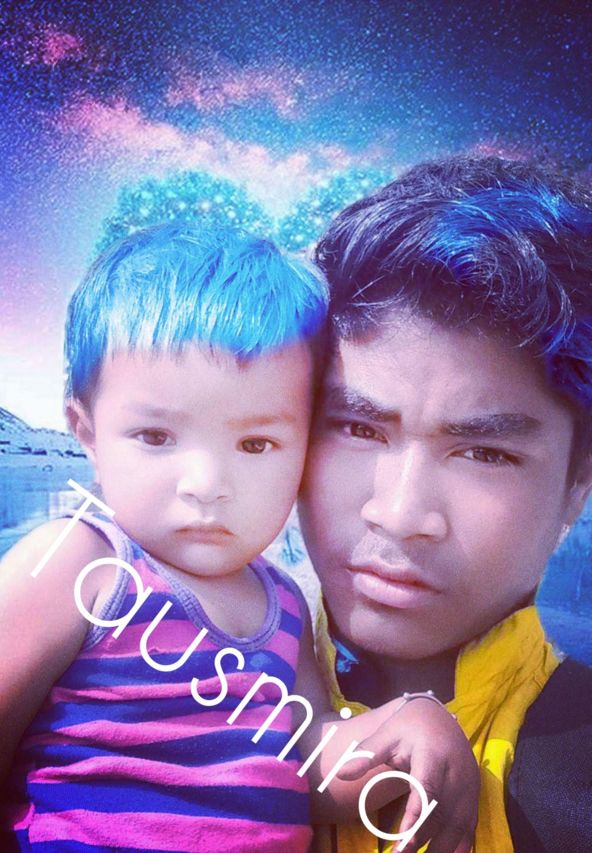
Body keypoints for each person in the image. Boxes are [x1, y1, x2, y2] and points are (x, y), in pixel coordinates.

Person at [0, 225, 478, 853]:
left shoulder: (284, 604)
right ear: (86, 431)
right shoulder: (78, 565)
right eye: (156, 437)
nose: (206, 485)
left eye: (256, 444)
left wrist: (410, 728)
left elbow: (309, 770)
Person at [295, 155, 592, 852]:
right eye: (358, 428)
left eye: (485, 452)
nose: (400, 514)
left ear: (577, 485)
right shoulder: (143, 686)